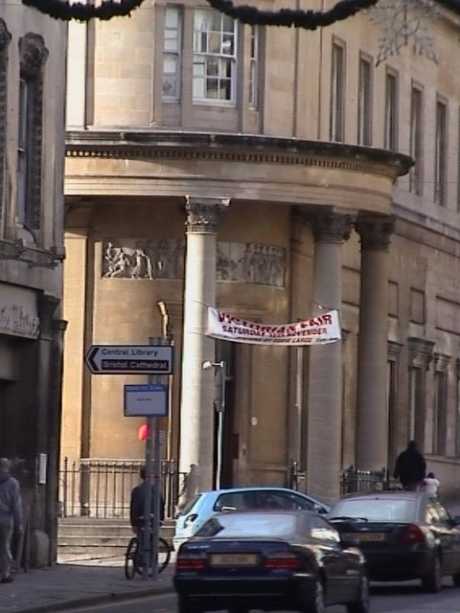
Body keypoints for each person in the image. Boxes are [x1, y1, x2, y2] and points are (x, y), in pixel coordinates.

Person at [0, 458, 23, 584]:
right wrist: (19, 523)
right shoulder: (13, 483)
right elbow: (16, 505)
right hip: (6, 518)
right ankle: (5, 573)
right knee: (4, 546)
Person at [129, 466, 164, 534]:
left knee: (142, 539)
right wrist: (161, 519)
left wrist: (134, 523)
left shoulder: (137, 490)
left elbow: (134, 508)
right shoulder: (157, 491)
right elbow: (161, 505)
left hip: (141, 521)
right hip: (154, 521)